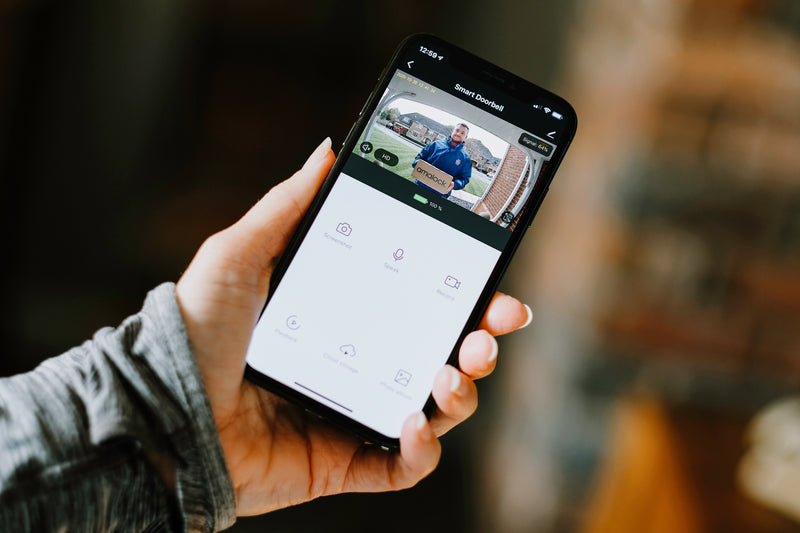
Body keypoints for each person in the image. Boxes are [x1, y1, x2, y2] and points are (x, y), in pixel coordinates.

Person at [0, 138, 532, 532]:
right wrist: (177, 418)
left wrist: (178, 413)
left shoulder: (459, 158)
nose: (458, 141)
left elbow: (457, 180)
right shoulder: (442, 143)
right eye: (457, 137)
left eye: (463, 139)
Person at [412, 123, 472, 198]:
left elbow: (464, 179)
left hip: (439, 196)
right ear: (453, 131)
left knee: (428, 207)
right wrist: (419, 165)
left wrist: (455, 184)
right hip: (420, 188)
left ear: (465, 137)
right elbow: (418, 159)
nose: (458, 133)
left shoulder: (466, 159)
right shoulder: (435, 145)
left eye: (462, 133)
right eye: (457, 130)